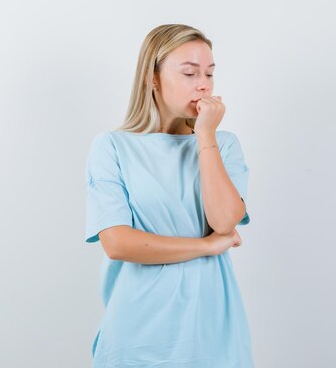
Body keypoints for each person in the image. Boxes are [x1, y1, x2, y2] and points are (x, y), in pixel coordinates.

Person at [84, 24, 254, 367]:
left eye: (209, 73)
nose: (204, 83)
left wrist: (204, 134)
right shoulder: (113, 147)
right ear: (153, 78)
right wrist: (206, 247)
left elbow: (224, 221)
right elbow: (118, 243)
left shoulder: (224, 146)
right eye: (190, 73)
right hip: (136, 336)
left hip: (212, 334)